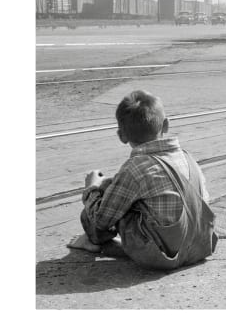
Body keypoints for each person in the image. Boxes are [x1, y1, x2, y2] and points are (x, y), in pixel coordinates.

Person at [68, 90, 217, 270]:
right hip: (199, 248)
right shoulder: (187, 157)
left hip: (162, 258)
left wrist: (92, 188)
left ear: (122, 136)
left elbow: (102, 219)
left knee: (101, 204)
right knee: (122, 189)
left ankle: (92, 242)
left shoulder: (134, 168)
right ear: (166, 125)